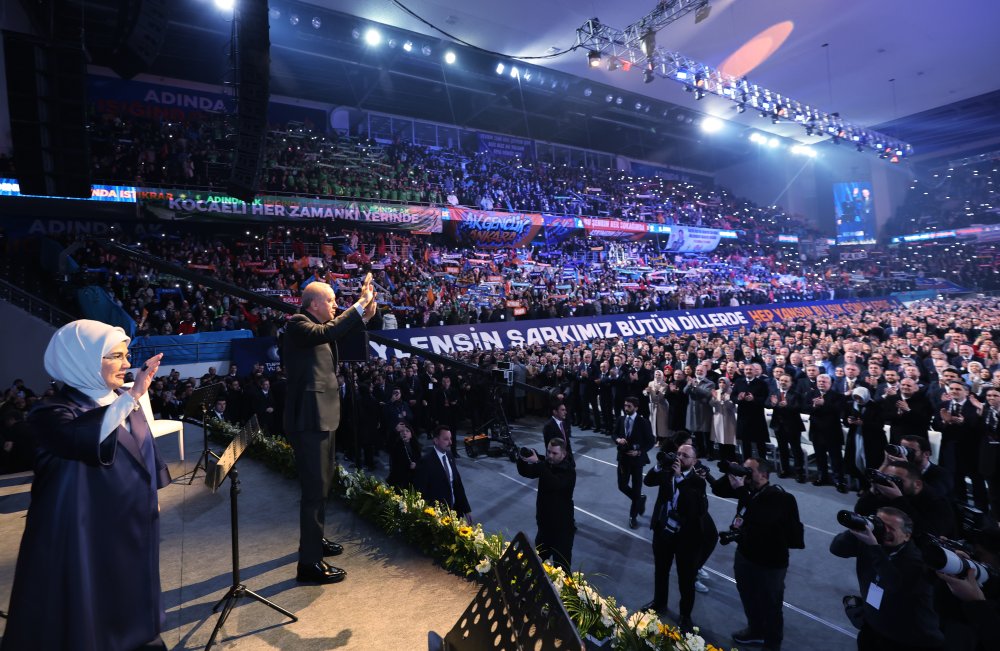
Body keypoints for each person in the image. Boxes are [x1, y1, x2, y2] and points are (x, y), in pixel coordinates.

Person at [2, 320, 169, 651]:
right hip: (81, 533)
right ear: (83, 359)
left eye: (127, 355)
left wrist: (152, 495)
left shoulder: (122, 398)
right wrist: (133, 397)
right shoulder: (51, 413)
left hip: (129, 524)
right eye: (116, 356)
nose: (126, 365)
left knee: (127, 597)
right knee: (84, 610)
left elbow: (144, 450)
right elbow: (81, 439)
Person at [283, 275, 377, 584]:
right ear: (313, 304)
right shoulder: (298, 323)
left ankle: (315, 540)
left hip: (322, 417)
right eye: (331, 300)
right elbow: (331, 330)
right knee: (313, 490)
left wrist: (365, 314)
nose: (336, 304)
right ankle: (309, 564)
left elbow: (343, 333)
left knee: (322, 484)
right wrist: (359, 303)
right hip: (309, 419)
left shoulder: (320, 330)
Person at [706, 458, 804, 651]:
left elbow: (760, 517)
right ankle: (756, 630)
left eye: (750, 471)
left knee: (771, 606)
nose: (746, 475)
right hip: (746, 555)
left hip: (770, 564)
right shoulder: (749, 490)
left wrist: (742, 490)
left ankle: (772, 645)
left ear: (764, 474)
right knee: (748, 595)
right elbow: (718, 490)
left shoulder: (780, 497)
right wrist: (731, 472)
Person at [829, 507, 945, 651]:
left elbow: (892, 585)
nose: (884, 531)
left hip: (910, 640)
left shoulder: (917, 561)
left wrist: (873, 547)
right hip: (874, 628)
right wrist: (855, 529)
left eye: (891, 528)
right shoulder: (871, 543)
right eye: (880, 525)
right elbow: (836, 549)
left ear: (907, 536)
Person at [641, 444, 707, 631]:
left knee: (686, 578)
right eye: (678, 453)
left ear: (694, 461)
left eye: (685, 456)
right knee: (661, 570)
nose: (679, 458)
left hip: (686, 537)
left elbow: (693, 508)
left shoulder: (697, 481)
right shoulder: (666, 472)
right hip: (663, 530)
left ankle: (685, 616)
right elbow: (648, 481)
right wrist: (659, 466)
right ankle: (659, 602)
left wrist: (679, 478)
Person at [516, 438, 576, 571]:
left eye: (554, 453)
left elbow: (555, 483)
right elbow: (526, 472)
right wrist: (521, 459)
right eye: (548, 452)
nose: (550, 456)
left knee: (562, 571)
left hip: (562, 531)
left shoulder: (569, 471)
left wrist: (538, 462)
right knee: (536, 565)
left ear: (563, 454)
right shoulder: (547, 464)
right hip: (544, 528)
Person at [413, 425, 473, 520]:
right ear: (436, 441)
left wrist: (466, 509)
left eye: (451, 439)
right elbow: (421, 492)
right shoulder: (426, 461)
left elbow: (457, 485)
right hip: (438, 516)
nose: (450, 442)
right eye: (446, 439)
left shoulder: (449, 455)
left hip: (455, 512)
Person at [614, 396, 656, 529]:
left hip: (637, 461)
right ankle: (640, 499)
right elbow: (613, 434)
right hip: (623, 459)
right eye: (625, 406)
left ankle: (633, 516)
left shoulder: (643, 422)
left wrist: (639, 452)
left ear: (636, 407)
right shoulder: (621, 419)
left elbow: (650, 441)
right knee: (622, 486)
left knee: (636, 488)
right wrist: (617, 440)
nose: (626, 408)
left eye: (629, 406)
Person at [386, 422, 421, 490]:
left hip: (413, 479)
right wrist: (395, 431)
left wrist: (416, 464)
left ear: (411, 434)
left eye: (407, 431)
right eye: (402, 431)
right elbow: (390, 445)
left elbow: (420, 460)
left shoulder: (415, 446)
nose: (404, 433)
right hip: (400, 480)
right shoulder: (397, 446)